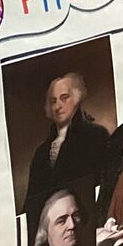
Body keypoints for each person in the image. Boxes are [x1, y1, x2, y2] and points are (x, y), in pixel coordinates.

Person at [22, 71, 109, 226]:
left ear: (76, 98)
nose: (58, 106)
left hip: (84, 221)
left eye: (64, 98)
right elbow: (31, 200)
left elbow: (105, 184)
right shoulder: (41, 152)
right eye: (53, 101)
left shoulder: (95, 135)